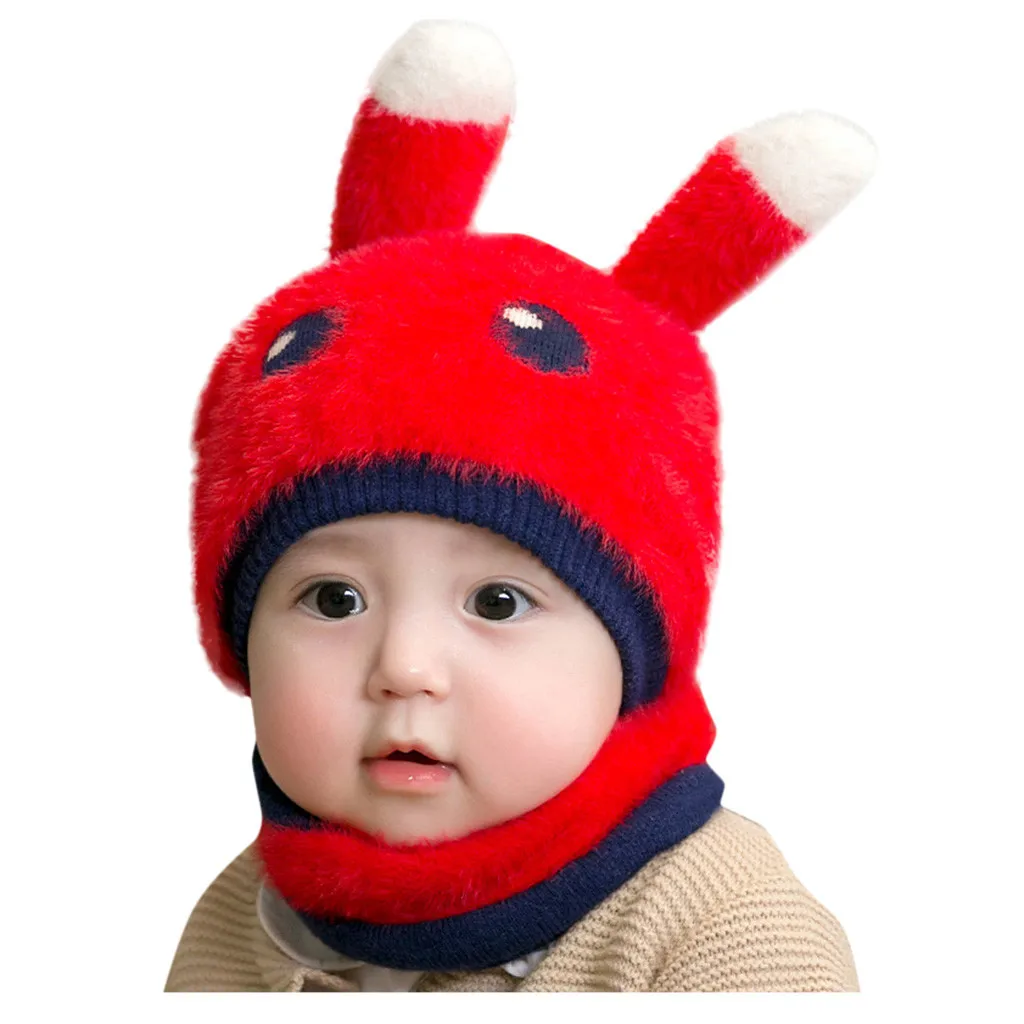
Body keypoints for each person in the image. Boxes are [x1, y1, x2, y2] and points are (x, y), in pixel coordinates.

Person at [165, 18, 875, 992]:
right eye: (333, 599)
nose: (404, 667)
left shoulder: (726, 932)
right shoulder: (247, 916)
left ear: (633, 662)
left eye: (497, 602)